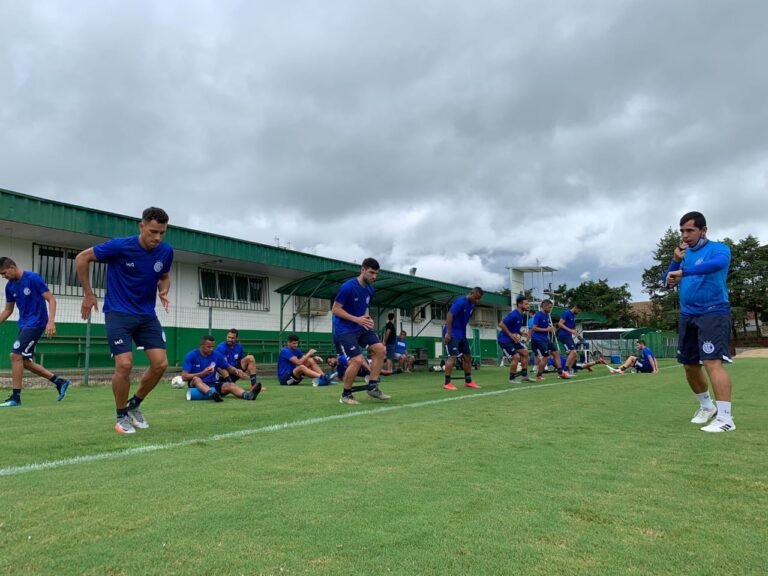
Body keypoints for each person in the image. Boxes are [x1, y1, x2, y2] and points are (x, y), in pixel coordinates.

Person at [75, 206, 173, 435]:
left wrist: (164, 290)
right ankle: (121, 417)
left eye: (162, 233)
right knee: (125, 364)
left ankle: (134, 405)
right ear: (141, 226)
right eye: (153, 232)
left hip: (147, 315)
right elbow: (82, 258)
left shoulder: (166, 252)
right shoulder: (120, 246)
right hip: (118, 313)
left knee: (160, 364)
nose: (157, 237)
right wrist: (89, 294)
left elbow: (165, 276)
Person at [665, 211, 735, 433]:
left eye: (690, 230)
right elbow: (666, 282)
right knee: (689, 364)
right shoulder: (683, 255)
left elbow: (716, 265)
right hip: (688, 314)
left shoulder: (719, 249)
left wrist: (685, 271)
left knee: (712, 362)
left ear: (703, 230)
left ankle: (725, 418)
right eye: (682, 231)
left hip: (713, 311)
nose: (685, 236)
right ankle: (707, 407)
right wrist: (676, 261)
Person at [0, 257, 72, 407]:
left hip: (37, 323)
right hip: (24, 324)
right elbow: (8, 310)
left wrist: (51, 321)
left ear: (12, 267)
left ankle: (16, 397)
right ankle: (59, 381)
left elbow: (51, 300)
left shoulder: (32, 278)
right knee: (24, 361)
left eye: (4, 273)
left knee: (15, 355)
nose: (3, 276)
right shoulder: (10, 287)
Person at [332, 257, 390, 405]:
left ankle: (372, 386)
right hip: (344, 329)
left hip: (361, 326)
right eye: (371, 272)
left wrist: (367, 317)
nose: (374, 277)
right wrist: (357, 319)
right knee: (357, 360)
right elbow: (335, 309)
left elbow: (364, 308)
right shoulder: (348, 288)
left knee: (380, 349)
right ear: (362, 270)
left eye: (376, 273)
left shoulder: (370, 289)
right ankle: (345, 395)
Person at [181, 335, 261, 401]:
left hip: (213, 384)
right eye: (208, 347)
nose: (211, 349)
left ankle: (248, 395)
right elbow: (184, 376)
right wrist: (202, 374)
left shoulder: (216, 355)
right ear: (201, 346)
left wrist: (236, 371)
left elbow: (228, 367)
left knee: (230, 385)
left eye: (213, 346)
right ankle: (211, 393)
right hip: (196, 385)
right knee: (196, 378)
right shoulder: (191, 355)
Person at [442, 287, 484, 391]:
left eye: (479, 299)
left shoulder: (472, 305)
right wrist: (448, 333)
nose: (477, 300)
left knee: (468, 357)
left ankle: (468, 381)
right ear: (472, 293)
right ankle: (447, 383)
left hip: (461, 334)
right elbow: (449, 315)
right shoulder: (460, 302)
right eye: (476, 298)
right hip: (452, 333)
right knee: (453, 356)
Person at [530, 299, 571, 381]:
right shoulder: (538, 315)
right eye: (549, 307)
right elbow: (534, 328)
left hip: (546, 339)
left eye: (551, 307)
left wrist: (551, 328)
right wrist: (547, 330)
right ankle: (539, 375)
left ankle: (560, 373)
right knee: (545, 356)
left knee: (556, 353)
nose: (550, 309)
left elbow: (547, 326)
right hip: (538, 340)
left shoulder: (546, 315)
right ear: (544, 306)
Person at [215, 328, 264, 394]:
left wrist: (244, 374)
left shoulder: (239, 347)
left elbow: (242, 362)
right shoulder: (221, 347)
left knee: (250, 358)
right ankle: (230, 383)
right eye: (228, 337)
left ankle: (254, 385)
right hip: (224, 376)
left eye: (232, 338)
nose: (229, 339)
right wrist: (237, 372)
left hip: (236, 372)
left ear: (236, 338)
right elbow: (225, 366)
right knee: (220, 365)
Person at [497, 295, 533, 383]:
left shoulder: (521, 315)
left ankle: (524, 376)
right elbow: (501, 324)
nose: (528, 306)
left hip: (512, 339)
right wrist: (510, 335)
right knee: (516, 356)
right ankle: (512, 378)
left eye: (528, 304)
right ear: (520, 305)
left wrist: (521, 333)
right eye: (526, 304)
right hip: (504, 340)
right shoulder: (513, 314)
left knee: (525, 352)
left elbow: (513, 327)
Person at [557, 304, 581, 374]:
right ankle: (565, 370)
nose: (579, 312)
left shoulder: (573, 316)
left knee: (575, 353)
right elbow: (560, 324)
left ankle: (568, 371)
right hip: (563, 335)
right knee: (573, 352)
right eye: (578, 311)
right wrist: (570, 330)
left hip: (568, 336)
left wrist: (578, 335)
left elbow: (572, 327)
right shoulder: (566, 313)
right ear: (575, 307)